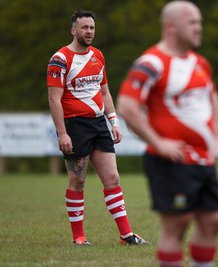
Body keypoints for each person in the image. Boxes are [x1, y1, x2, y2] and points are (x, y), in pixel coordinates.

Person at [117, 1, 218, 266]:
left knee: (212, 221)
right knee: (178, 224)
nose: (199, 28)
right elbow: (127, 107)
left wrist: (214, 140)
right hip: (171, 161)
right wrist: (159, 143)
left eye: (200, 22)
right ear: (171, 27)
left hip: (202, 160)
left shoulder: (201, 63)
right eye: (192, 22)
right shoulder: (152, 62)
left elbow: (214, 99)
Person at [46, 9, 149, 246]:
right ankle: (78, 238)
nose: (89, 32)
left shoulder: (98, 55)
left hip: (98, 123)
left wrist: (113, 122)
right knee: (78, 181)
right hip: (75, 125)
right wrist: (62, 133)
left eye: (92, 27)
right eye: (84, 28)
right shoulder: (60, 59)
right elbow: (54, 99)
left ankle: (126, 235)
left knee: (112, 178)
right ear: (73, 31)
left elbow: (104, 92)